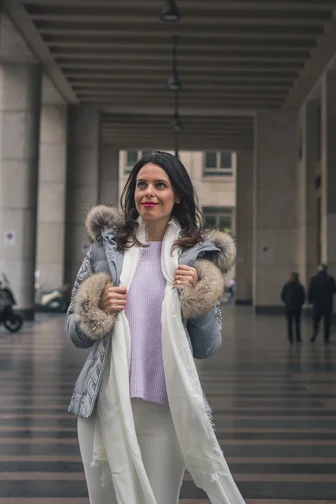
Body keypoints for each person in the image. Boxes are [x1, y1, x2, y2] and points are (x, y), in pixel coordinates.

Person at [65, 151, 245, 504]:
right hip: (105, 404)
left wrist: (198, 296)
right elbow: (73, 329)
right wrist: (96, 311)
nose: (148, 192)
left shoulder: (197, 257)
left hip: (167, 408)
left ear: (177, 194)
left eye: (160, 185)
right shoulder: (106, 249)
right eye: (141, 184)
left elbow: (207, 346)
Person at [307, 264, 336, 344]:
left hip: (317, 303)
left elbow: (310, 291)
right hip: (327, 303)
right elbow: (335, 289)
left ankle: (315, 332)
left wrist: (309, 300)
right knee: (327, 322)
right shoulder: (330, 279)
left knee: (316, 320)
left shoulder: (313, 279)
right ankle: (326, 337)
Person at [280, 272, 306, 344]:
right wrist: (300, 303)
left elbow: (282, 296)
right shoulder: (300, 286)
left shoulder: (286, 286)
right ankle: (298, 338)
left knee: (289, 324)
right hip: (297, 307)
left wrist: (287, 302)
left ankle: (290, 339)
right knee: (297, 323)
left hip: (288, 307)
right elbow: (303, 297)